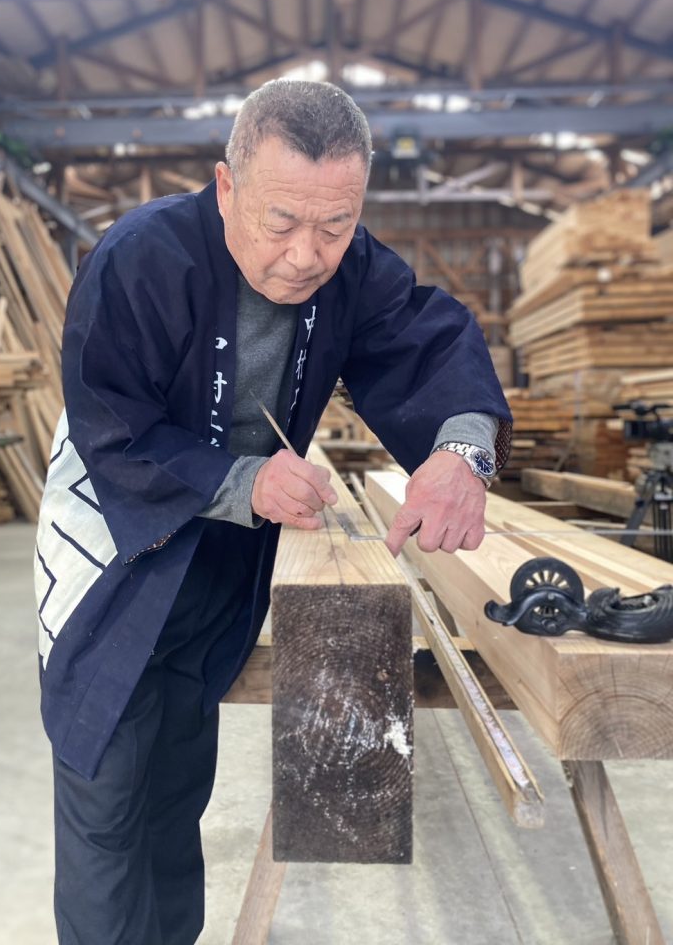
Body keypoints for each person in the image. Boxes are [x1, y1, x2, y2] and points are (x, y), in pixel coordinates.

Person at [34, 79, 512, 944]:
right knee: (108, 804)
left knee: (177, 795)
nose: (306, 255)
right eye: (281, 221)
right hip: (114, 546)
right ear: (226, 187)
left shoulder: (352, 266)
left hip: (222, 559)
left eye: (336, 225)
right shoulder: (142, 256)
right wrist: (243, 482)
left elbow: (428, 343)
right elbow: (113, 425)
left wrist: (461, 451)